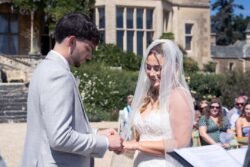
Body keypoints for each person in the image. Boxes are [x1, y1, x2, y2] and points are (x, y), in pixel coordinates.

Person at [20, 13, 123, 167]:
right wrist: (105, 142)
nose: (89, 56)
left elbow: (50, 129)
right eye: (88, 48)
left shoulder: (44, 68)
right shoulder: (58, 74)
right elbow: (60, 138)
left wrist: (95, 134)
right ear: (72, 41)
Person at [120, 39, 194, 166]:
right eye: (148, 68)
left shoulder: (178, 96)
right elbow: (142, 136)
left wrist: (137, 145)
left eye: (157, 68)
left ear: (174, 68)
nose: (151, 73)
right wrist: (123, 146)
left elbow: (180, 144)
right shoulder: (147, 96)